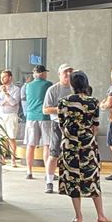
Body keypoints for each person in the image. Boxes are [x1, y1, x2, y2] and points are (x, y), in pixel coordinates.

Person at [57, 71, 111, 222]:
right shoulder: (93, 102)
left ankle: (78, 216)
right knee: (92, 179)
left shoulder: (63, 102)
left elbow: (61, 125)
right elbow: (95, 126)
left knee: (73, 179)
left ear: (72, 84)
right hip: (88, 145)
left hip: (69, 144)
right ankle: (101, 215)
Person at [42, 63, 74, 193]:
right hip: (58, 124)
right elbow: (45, 109)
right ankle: (49, 182)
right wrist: (61, 108)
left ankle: (70, 182)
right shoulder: (53, 90)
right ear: (59, 74)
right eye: (65, 72)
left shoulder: (76, 89)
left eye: (70, 72)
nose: (68, 74)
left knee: (72, 155)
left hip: (73, 125)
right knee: (54, 153)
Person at [22, 64, 52, 180]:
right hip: (44, 117)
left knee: (30, 145)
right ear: (43, 73)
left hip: (31, 117)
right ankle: (48, 172)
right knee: (47, 145)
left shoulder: (28, 86)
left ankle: (29, 171)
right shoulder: (48, 84)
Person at [0, 70, 21, 167]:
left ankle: (13, 159)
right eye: (1, 77)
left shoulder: (16, 89)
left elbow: (13, 102)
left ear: (10, 77)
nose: (2, 79)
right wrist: (5, 101)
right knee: (2, 138)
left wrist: (6, 94)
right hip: (1, 115)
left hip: (11, 115)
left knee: (11, 137)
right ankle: (2, 158)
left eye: (4, 77)